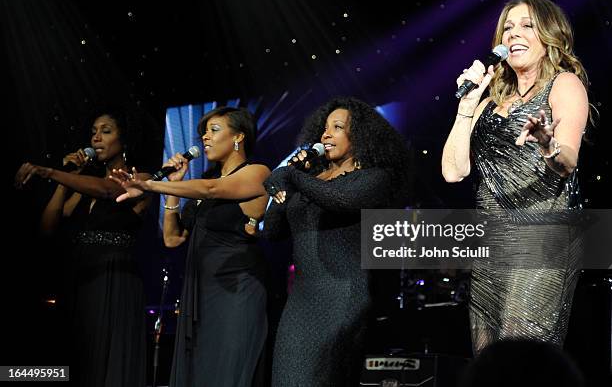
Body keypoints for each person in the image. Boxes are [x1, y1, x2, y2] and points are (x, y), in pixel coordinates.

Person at [441, 0, 590, 353]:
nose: (513, 34)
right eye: (507, 27)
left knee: (520, 350)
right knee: (486, 352)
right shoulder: (489, 103)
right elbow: (452, 171)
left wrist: (546, 142)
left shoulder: (564, 84)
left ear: (549, 34)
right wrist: (467, 105)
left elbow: (567, 160)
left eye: (526, 25)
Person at [111, 106, 270, 387]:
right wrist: (174, 185)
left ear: (239, 137)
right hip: (199, 292)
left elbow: (213, 191)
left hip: (235, 292)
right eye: (204, 133)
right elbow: (172, 239)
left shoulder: (256, 172)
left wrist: (150, 185)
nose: (205, 138)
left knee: (227, 371)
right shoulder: (205, 183)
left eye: (214, 130)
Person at [262, 96, 412, 387]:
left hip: (343, 297)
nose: (326, 134)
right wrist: (285, 188)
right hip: (301, 302)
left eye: (337, 127)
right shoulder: (310, 179)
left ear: (359, 136)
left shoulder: (374, 178)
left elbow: (340, 200)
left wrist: (290, 175)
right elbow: (272, 232)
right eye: (324, 128)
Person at [14, 105, 155, 387]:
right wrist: (67, 179)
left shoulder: (142, 179)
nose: (96, 139)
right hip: (81, 274)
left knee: (105, 359)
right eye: (93, 133)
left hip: (114, 278)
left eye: (106, 131)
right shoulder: (82, 185)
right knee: (77, 359)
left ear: (123, 139)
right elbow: (48, 226)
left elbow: (107, 190)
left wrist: (49, 171)